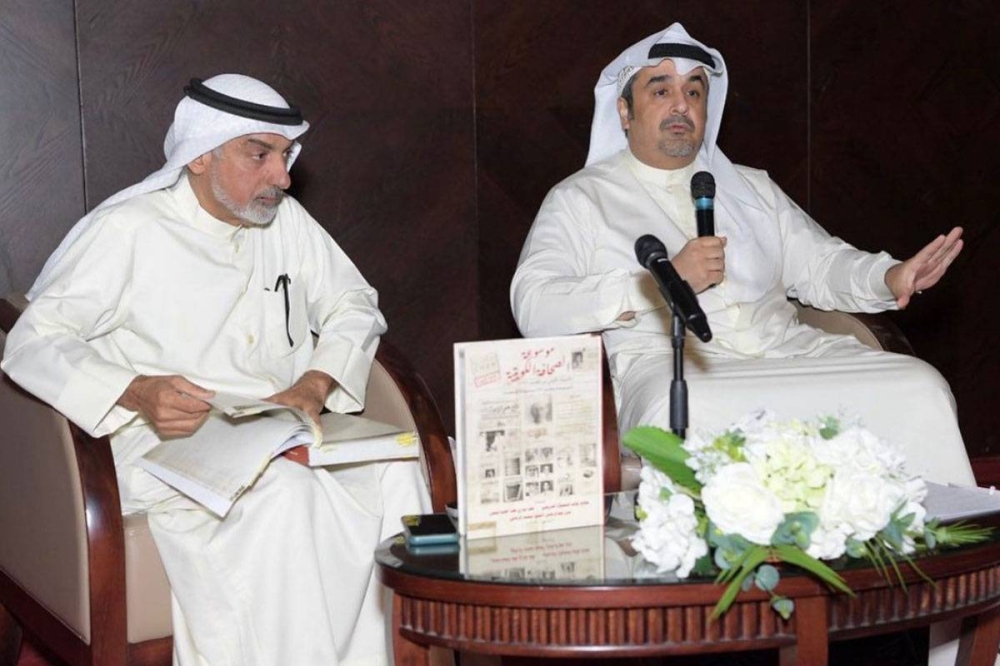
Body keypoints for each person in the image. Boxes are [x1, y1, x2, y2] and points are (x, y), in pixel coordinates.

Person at [1, 74, 430, 666]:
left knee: (401, 471)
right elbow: (32, 342)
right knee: (284, 496)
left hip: (282, 425)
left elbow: (354, 304)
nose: (282, 177)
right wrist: (135, 391)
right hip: (162, 441)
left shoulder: (285, 221)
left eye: (285, 155)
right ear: (200, 155)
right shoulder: (128, 229)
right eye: (260, 155)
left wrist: (314, 383)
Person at [510, 23, 975, 489]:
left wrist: (889, 277)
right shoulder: (580, 199)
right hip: (675, 369)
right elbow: (534, 303)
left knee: (920, 386)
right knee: (686, 414)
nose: (681, 105)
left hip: (789, 354)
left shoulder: (751, 187)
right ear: (625, 111)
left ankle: (920, 532)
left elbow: (820, 264)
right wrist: (658, 283)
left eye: (694, 92)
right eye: (662, 90)